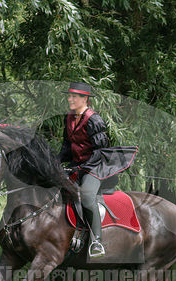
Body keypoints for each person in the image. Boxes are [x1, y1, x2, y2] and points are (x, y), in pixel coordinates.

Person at [58, 81, 137, 258]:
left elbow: (100, 152)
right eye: (69, 95)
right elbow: (66, 145)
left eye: (74, 96)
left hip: (95, 167)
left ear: (84, 99)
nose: (69, 99)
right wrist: (56, 162)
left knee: (86, 197)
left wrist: (82, 167)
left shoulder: (94, 120)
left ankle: (96, 241)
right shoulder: (69, 117)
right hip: (77, 166)